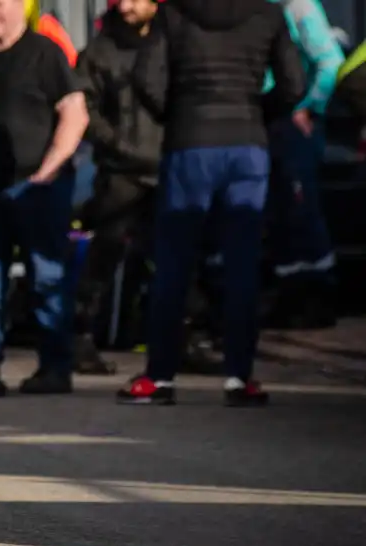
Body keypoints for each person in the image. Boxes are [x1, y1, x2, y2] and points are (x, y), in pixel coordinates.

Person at [118, 0, 305, 406]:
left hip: (190, 144)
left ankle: (160, 377)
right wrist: (257, 111)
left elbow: (146, 77)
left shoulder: (175, 12)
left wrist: (180, 113)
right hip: (247, 145)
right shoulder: (268, 14)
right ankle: (240, 378)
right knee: (242, 265)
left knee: (173, 265)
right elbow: (295, 84)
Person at [0, 0, 90, 397]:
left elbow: (76, 112)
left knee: (46, 278)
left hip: (40, 187)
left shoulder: (44, 52)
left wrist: (47, 171)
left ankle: (54, 368)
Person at [73, 0, 163, 375]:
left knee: (176, 257)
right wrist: (118, 145)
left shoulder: (172, 42)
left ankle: (188, 336)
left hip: (165, 168)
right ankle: (80, 337)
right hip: (120, 172)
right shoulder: (100, 50)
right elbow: (86, 109)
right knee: (103, 256)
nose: (125, 6)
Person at [261, 0, 345, 330]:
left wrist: (310, 108)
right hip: (273, 118)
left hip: (295, 122)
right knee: (282, 210)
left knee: (300, 208)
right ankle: (290, 295)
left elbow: (330, 62)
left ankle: (319, 295)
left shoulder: (298, 7)